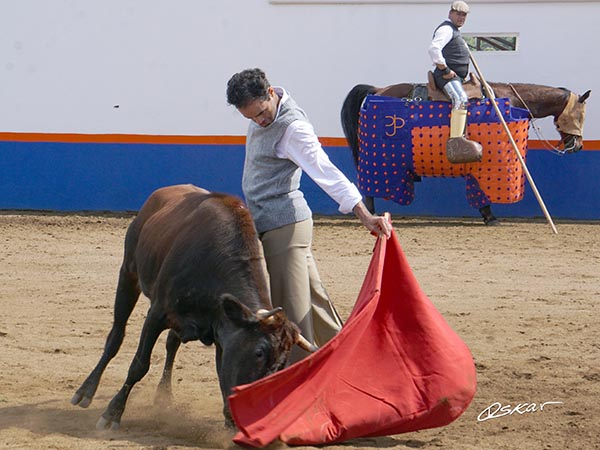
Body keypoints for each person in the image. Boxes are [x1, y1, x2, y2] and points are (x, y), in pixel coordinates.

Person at [226, 68, 391, 362]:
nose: (260, 121)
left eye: (262, 113)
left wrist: (364, 214)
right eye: (251, 118)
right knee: (315, 305)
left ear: (271, 94)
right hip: (277, 225)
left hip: (284, 228)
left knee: (289, 313)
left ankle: (296, 382)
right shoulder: (266, 110)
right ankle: (353, 361)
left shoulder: (293, 128)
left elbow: (326, 172)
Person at [428, 0, 482, 158]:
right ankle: (456, 141)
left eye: (464, 15)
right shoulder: (446, 29)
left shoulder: (456, 32)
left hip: (457, 77)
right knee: (461, 98)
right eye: (458, 14)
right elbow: (434, 48)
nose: (461, 18)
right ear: (450, 13)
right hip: (445, 76)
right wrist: (444, 69)